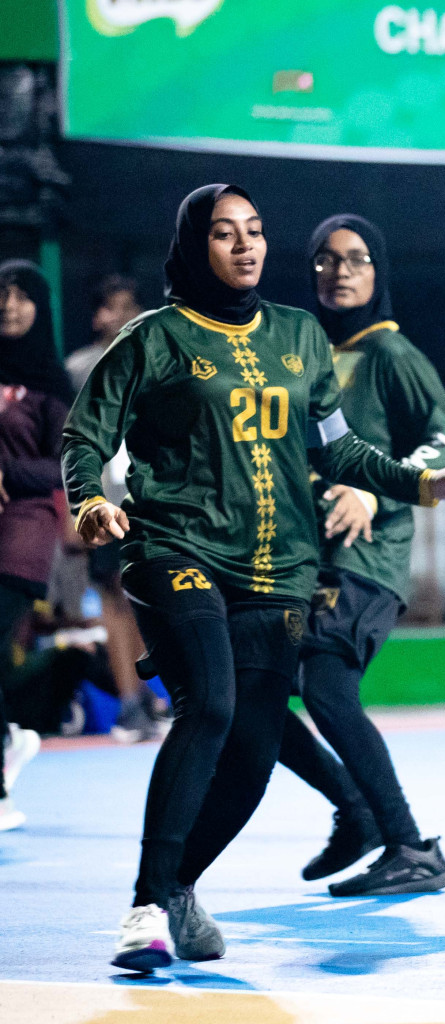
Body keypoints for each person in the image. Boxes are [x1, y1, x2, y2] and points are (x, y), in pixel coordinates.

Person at [63, 184, 445, 973]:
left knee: (257, 752)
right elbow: (85, 437)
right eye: (225, 233)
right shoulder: (151, 339)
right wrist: (90, 500)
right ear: (196, 246)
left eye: (255, 231)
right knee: (212, 705)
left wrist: (425, 484)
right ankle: (145, 907)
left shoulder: (299, 338)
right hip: (178, 551)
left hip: (280, 571)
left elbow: (343, 453)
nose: (244, 246)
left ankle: (179, 886)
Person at [272, 213, 445, 897]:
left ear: (377, 271)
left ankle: (408, 845)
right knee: (252, 695)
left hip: (367, 556)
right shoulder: (302, 352)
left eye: (356, 258)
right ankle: (357, 812)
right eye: (325, 259)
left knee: (324, 687)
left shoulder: (391, 353)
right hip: (302, 557)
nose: (339, 271)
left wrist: (372, 491)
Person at [62, 273, 163, 743]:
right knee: (115, 602)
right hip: (103, 504)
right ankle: (129, 706)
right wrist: (77, 505)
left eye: (130, 305)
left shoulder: (155, 356)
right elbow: (70, 444)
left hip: (149, 499)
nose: (123, 315)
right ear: (97, 315)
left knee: (143, 601)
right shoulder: (79, 368)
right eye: (113, 307)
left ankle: (147, 699)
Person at [0, 260, 70, 831]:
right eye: (2, 295)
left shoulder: (51, 383)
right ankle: (7, 739)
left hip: (23, 528)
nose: (9, 305)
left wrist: (7, 472)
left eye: (23, 296)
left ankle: (0, 795)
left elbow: (62, 465)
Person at [66, 274, 142, 391]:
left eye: (127, 307)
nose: (120, 315)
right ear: (95, 318)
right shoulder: (75, 367)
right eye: (110, 307)